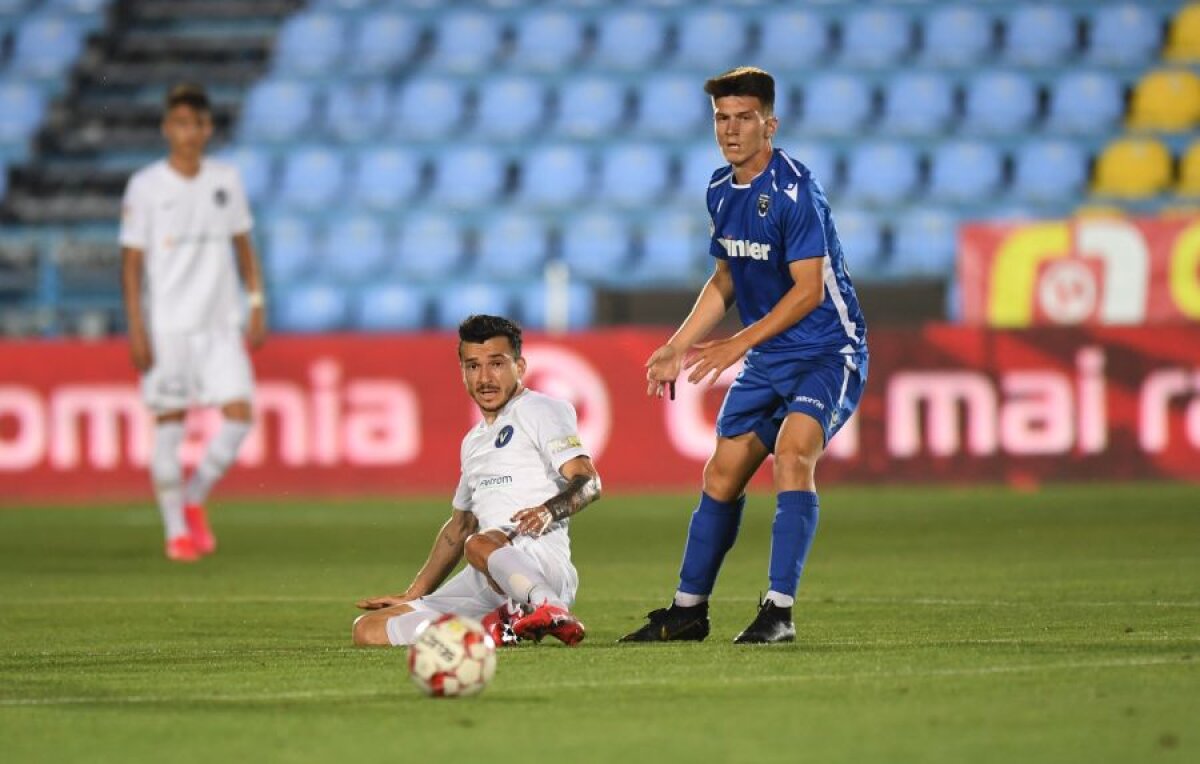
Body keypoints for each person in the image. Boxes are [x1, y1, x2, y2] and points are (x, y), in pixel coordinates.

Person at [620, 67, 868, 645]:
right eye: (721, 120)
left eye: (743, 119)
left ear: (769, 123)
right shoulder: (718, 190)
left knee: (792, 455)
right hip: (768, 358)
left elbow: (808, 291)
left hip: (827, 351)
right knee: (721, 475)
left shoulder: (795, 191)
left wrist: (737, 342)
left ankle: (777, 611)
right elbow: (725, 278)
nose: (730, 131)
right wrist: (677, 344)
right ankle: (687, 611)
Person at [353, 315, 601, 648]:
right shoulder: (473, 442)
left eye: (497, 364)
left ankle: (550, 608)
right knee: (369, 629)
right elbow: (459, 527)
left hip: (538, 564)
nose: (484, 378)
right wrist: (412, 595)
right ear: (463, 373)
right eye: (473, 366)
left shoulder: (541, 409)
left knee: (480, 543)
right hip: (485, 572)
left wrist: (546, 512)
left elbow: (588, 483)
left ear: (520, 366)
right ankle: (495, 632)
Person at [119, 83, 266, 562]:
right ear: (167, 128)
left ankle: (193, 498)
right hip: (168, 327)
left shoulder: (225, 179)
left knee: (240, 418)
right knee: (169, 424)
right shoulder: (145, 186)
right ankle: (174, 532)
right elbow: (131, 263)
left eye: (195, 124)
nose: (187, 133)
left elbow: (244, 247)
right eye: (178, 124)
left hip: (220, 324)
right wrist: (137, 328)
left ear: (207, 128)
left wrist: (257, 303)